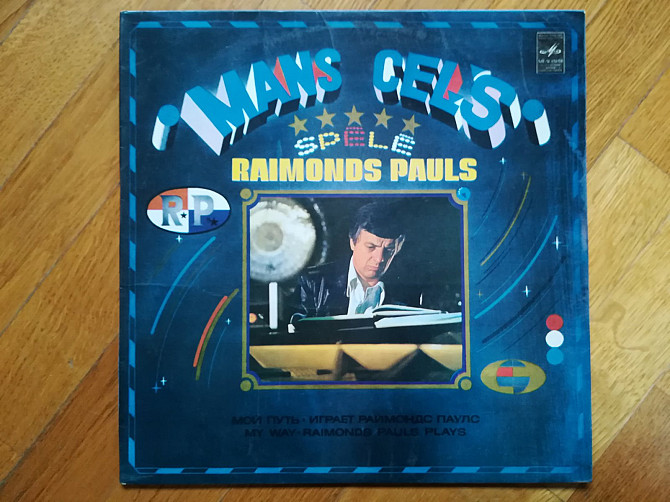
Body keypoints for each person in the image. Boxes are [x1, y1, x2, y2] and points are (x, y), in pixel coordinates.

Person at [289, 201, 420, 321]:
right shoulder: (312, 283)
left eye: (389, 250)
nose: (379, 258)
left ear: (399, 246)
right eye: (371, 247)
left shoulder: (410, 290)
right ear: (353, 242)